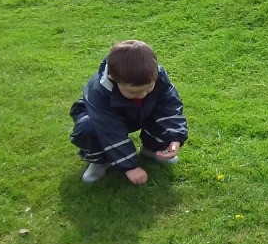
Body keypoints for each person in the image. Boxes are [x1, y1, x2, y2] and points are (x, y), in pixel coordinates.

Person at [69, 40, 188, 184]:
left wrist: (174, 138)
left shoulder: (158, 77)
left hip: (138, 112)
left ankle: (153, 148)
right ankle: (101, 160)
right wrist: (130, 166)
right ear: (112, 78)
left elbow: (170, 107)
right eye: (133, 92)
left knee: (160, 111)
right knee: (88, 128)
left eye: (148, 88)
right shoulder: (99, 91)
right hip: (100, 119)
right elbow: (108, 129)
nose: (143, 94)